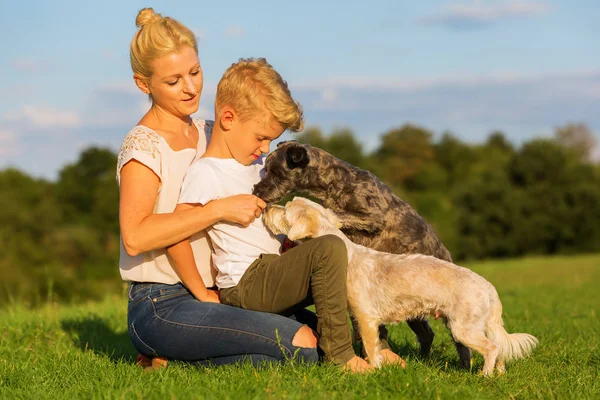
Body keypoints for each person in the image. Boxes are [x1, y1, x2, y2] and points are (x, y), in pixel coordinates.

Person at [118, 7, 320, 369]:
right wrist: (218, 209)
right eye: (174, 80)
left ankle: (179, 355)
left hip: (228, 290)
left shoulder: (214, 131)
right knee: (302, 348)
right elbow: (135, 236)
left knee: (334, 337)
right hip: (162, 302)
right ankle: (166, 356)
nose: (191, 87)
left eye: (195, 72)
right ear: (143, 84)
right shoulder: (142, 147)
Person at [166, 58, 372, 372]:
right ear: (228, 118)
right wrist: (201, 292)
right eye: (261, 137)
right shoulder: (206, 173)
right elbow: (176, 234)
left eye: (271, 141)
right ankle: (341, 358)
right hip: (247, 282)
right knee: (330, 248)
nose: (265, 148)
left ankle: (372, 346)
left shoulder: (255, 168)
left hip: (269, 269)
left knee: (333, 266)